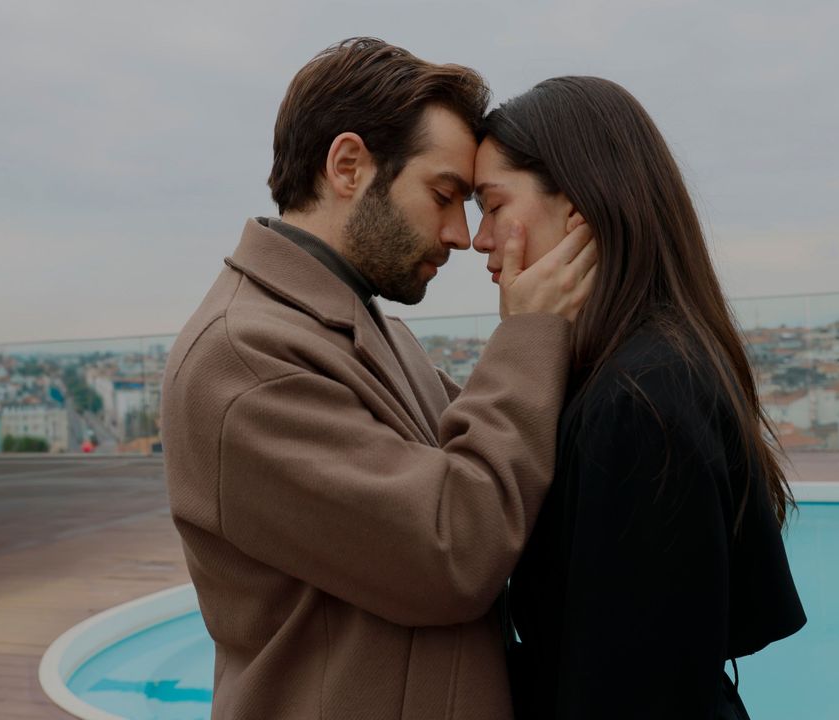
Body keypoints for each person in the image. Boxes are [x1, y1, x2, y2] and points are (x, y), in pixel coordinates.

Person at [160, 40, 596, 720]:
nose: (460, 234)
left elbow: (507, 461)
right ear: (348, 166)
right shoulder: (244, 362)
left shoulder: (368, 331)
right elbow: (455, 551)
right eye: (444, 195)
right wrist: (532, 333)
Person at [471, 76, 807, 719]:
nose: (479, 239)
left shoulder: (639, 400)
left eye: (491, 205)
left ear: (579, 208)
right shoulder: (647, 365)